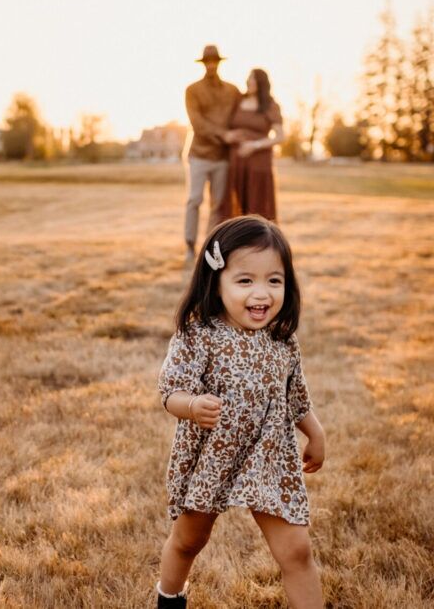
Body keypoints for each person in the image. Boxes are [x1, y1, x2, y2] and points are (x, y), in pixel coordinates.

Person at [154, 215, 326, 609]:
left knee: (296, 550)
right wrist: (193, 406)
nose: (261, 294)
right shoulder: (200, 335)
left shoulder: (282, 340)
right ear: (216, 281)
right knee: (188, 540)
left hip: (269, 457)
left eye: (274, 280)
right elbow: (170, 392)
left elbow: (295, 396)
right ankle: (169, 598)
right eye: (245, 280)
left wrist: (314, 432)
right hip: (214, 456)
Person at [183, 45, 241, 263]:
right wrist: (224, 135)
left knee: (218, 205)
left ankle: (210, 249)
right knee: (194, 199)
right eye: (207, 61)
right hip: (199, 154)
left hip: (223, 158)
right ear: (203, 63)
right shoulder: (192, 90)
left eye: (214, 61)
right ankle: (190, 245)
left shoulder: (232, 91)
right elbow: (197, 123)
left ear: (219, 63)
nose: (211, 65)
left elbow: (245, 111)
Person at [223, 68, 285, 221]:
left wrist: (254, 145)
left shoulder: (270, 105)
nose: (249, 81)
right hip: (236, 162)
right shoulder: (238, 101)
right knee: (236, 206)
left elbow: (280, 136)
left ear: (261, 83)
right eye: (248, 78)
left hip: (258, 163)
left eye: (253, 78)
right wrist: (228, 135)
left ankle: (260, 241)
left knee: (257, 205)